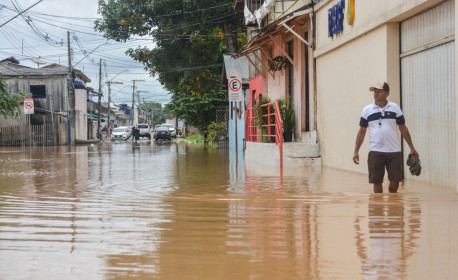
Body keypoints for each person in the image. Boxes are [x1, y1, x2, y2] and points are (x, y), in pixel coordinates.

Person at [353, 82, 419, 193]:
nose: (376, 93)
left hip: (394, 151)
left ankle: (392, 204)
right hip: (375, 151)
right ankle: (378, 207)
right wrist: (356, 151)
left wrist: (412, 148)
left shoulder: (395, 108)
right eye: (374, 91)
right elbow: (361, 132)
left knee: (395, 182)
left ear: (387, 93)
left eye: (379, 91)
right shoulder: (367, 110)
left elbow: (403, 128)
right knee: (377, 182)